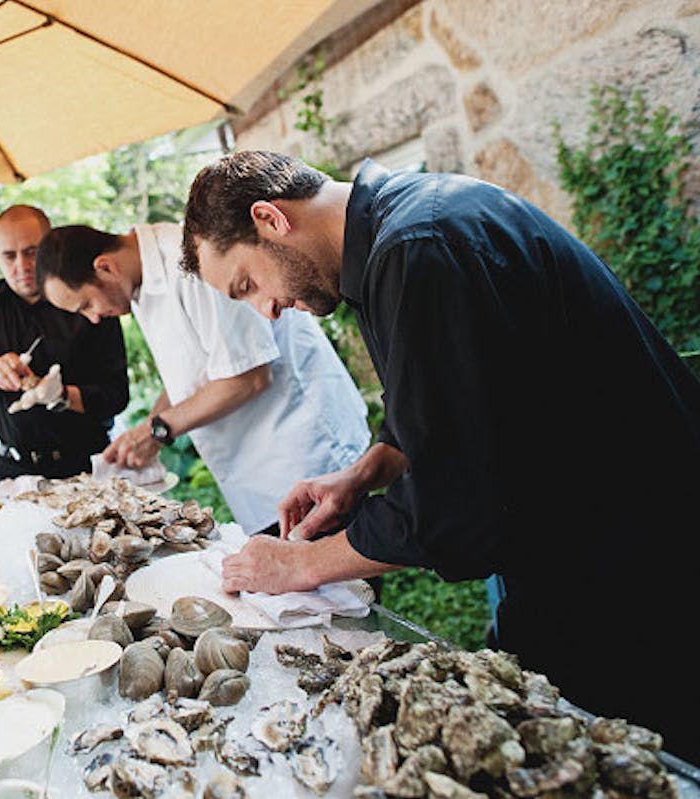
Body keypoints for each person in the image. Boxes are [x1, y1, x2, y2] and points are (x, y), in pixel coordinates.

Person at [179, 150, 700, 758]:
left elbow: (459, 501)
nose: (265, 309)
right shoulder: (397, 234)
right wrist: (367, 469)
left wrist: (299, 566)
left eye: (247, 284)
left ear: (270, 218)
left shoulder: (420, 248)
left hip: (635, 561)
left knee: (642, 755)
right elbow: (458, 399)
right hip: (582, 539)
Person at [36, 223, 370, 536]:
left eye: (86, 305)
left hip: (304, 456)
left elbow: (248, 376)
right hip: (255, 476)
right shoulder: (137, 282)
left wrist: (159, 429)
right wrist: (152, 424)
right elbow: (196, 368)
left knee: (341, 593)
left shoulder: (189, 262)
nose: (93, 317)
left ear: (105, 267)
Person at [0, 205, 129, 483]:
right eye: (9, 256)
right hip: (14, 470)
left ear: (49, 246)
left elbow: (116, 394)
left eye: (31, 252)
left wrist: (62, 396)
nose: (22, 267)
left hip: (86, 466)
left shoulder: (88, 295)